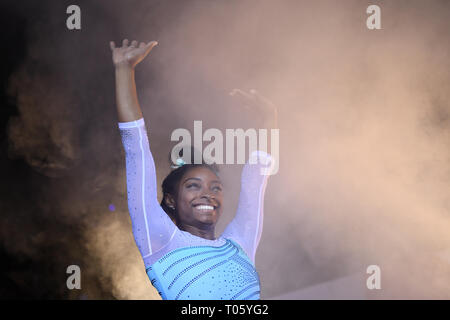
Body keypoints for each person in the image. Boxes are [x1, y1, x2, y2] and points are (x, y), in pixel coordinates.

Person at [111, 38, 276, 300]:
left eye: (215, 187)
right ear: (170, 200)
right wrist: (124, 70)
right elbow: (136, 151)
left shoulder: (241, 244)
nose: (207, 193)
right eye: (193, 186)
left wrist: (269, 121)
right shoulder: (161, 240)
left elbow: (256, 179)